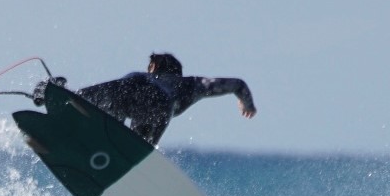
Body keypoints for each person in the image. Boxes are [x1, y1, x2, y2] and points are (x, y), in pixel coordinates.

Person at [37, 53, 256, 146]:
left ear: (153, 67)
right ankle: (131, 158)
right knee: (138, 145)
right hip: (160, 105)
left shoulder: (148, 75)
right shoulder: (192, 84)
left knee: (86, 103)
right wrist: (246, 103)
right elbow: (238, 83)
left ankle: (56, 92)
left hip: (131, 86)